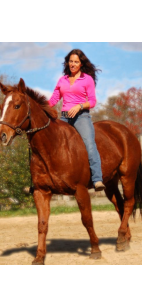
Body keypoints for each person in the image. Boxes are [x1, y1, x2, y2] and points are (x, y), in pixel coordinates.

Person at [49, 49, 105, 191]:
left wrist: (79, 106)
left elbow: (92, 101)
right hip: (65, 117)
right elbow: (54, 99)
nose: (73, 64)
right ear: (67, 63)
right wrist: (40, 107)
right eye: (71, 61)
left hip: (81, 116)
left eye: (76, 62)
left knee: (89, 144)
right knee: (53, 144)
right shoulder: (62, 80)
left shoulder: (87, 79)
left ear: (81, 64)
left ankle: (97, 179)